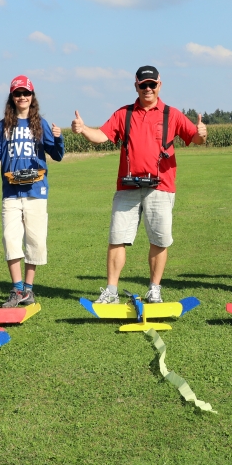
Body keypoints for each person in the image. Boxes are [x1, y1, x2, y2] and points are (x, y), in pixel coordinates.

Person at [71, 65, 206, 304]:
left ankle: (154, 289)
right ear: (136, 86)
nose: (148, 89)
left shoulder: (172, 114)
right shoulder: (124, 114)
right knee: (117, 238)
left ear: (159, 85)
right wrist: (83, 130)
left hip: (161, 187)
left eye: (152, 84)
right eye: (143, 85)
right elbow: (101, 136)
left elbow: (195, 138)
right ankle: (111, 291)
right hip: (128, 187)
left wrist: (202, 133)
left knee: (159, 239)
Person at [0, 75, 64, 308]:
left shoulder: (41, 124)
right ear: (12, 97)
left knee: (35, 240)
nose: (22, 97)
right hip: (11, 192)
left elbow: (57, 155)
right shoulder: (3, 125)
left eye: (26, 93)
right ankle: (16, 289)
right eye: (18, 93)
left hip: (36, 190)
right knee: (10, 239)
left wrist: (58, 139)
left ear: (32, 96)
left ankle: (28, 290)